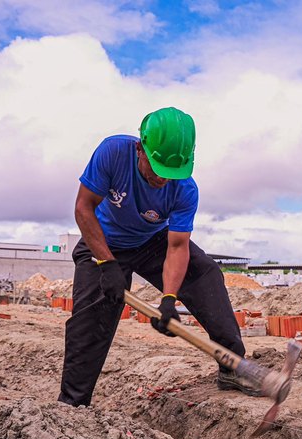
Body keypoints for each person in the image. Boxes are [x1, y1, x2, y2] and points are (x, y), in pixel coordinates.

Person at [58, 106, 257, 407]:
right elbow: (83, 208)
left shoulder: (185, 189)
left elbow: (177, 247)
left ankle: (232, 367)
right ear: (140, 148)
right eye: (156, 169)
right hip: (102, 241)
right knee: (92, 318)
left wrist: (168, 299)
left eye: (171, 173)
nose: (163, 179)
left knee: (205, 274)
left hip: (151, 240)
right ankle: (71, 405)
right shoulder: (112, 152)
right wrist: (106, 263)